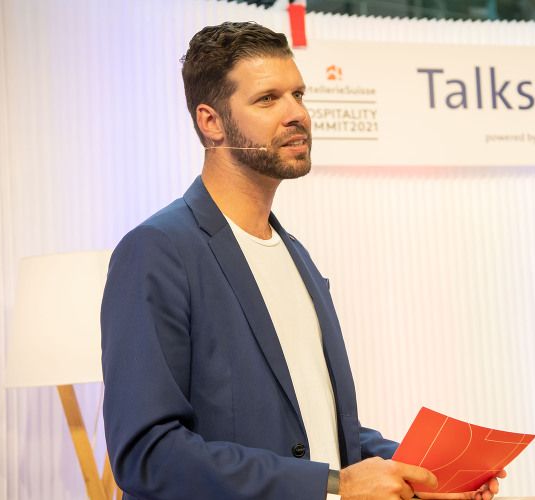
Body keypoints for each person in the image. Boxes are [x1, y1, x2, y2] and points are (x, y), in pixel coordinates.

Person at [101, 21, 506, 500]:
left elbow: (322, 435)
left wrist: (426, 475)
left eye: (298, 94)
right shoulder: (158, 250)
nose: (297, 114)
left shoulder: (297, 257)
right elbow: (147, 453)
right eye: (268, 99)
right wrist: (334, 485)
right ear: (211, 122)